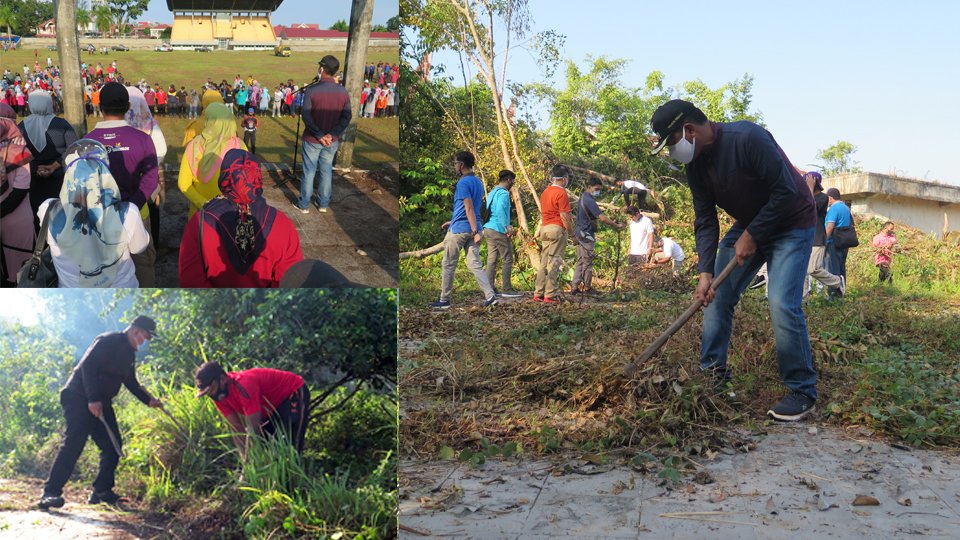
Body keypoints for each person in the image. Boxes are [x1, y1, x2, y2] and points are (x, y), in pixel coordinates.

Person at [650, 99, 817, 421]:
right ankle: (713, 378)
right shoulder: (695, 165)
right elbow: (705, 220)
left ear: (689, 130)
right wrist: (704, 273)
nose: (673, 151)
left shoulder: (748, 138)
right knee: (716, 296)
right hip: (750, 224)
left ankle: (802, 390)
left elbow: (786, 192)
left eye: (672, 142)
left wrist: (752, 235)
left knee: (781, 301)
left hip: (792, 223)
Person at [38, 316, 164, 509]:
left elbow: (131, 382)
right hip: (78, 396)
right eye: (145, 337)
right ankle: (50, 493)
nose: (144, 341)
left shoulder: (130, 355)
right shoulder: (108, 340)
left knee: (113, 445)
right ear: (135, 330)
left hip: (101, 403)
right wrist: (92, 398)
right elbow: (87, 367)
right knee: (74, 442)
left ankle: (101, 491)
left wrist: (149, 401)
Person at [179, 149, 302, 287]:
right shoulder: (283, 225)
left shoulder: (198, 223)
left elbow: (190, 281)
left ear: (224, 177)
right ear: (258, 178)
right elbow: (289, 282)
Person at [39, 139, 150, 287]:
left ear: (69, 174)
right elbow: (139, 248)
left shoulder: (48, 209)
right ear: (106, 174)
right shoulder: (128, 212)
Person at [85, 82, 159, 287]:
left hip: (99, 219)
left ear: (100, 108)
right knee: (142, 267)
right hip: (136, 216)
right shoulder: (142, 139)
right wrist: (131, 207)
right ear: (127, 107)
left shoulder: (87, 141)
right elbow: (151, 179)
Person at [194, 361, 310, 457]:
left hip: (292, 392)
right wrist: (246, 462)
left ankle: (296, 479)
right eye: (207, 393)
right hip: (270, 409)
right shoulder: (219, 398)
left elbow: (253, 429)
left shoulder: (244, 385)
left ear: (222, 379)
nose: (211, 395)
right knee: (269, 444)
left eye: (212, 389)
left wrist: (248, 462)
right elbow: (237, 429)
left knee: (291, 444)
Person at [430, 151, 498, 309]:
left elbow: (468, 207)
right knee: (475, 264)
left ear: (461, 165)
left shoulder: (463, 183)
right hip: (472, 227)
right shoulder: (478, 182)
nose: (454, 166)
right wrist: (457, 222)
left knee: (448, 264)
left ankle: (444, 300)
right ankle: (490, 295)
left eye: (455, 163)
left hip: (462, 229)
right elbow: (472, 208)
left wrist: (473, 230)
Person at [295, 55, 351, 214]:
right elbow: (346, 117)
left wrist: (320, 135)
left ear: (321, 69)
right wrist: (332, 135)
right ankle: (323, 204)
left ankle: (304, 204)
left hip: (313, 139)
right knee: (326, 170)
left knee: (309, 171)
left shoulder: (312, 90)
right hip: (331, 142)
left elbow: (306, 115)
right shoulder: (343, 92)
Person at [18, 91, 78, 231]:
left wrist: (35, 167)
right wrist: (54, 165)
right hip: (59, 177)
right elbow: (74, 150)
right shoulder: (62, 124)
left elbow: (18, 154)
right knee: (61, 219)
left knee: (37, 220)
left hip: (33, 178)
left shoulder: (21, 127)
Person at [178, 103, 245, 218]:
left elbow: (184, 184)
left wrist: (206, 204)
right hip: (231, 215)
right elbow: (246, 183)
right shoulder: (240, 146)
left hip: (201, 215)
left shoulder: (194, 145)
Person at [125, 86, 168, 247]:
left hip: (127, 177)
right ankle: (153, 242)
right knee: (152, 209)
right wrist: (149, 166)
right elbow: (162, 149)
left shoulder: (120, 125)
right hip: (148, 176)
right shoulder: (150, 124)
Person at [571, 177, 625, 294]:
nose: (598, 191)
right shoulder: (589, 200)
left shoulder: (582, 198)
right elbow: (602, 218)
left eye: (599, 189)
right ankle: (587, 288)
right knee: (587, 262)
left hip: (579, 233)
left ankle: (574, 287)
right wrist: (616, 225)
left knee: (580, 261)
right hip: (586, 235)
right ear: (589, 187)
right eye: (596, 189)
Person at [0, 103, 34, 286]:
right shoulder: (20, 149)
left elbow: (20, 192)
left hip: (14, 219)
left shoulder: (19, 150)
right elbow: (20, 191)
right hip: (17, 217)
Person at [533, 164, 575, 304]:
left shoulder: (546, 192)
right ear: (563, 179)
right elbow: (565, 216)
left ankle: (538, 292)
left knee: (544, 262)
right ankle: (550, 294)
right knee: (554, 262)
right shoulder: (561, 193)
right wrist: (572, 234)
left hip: (545, 228)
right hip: (556, 229)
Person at [802, 172, 844, 298]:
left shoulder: (823, 198)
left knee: (812, 269)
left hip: (817, 239)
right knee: (802, 271)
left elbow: (810, 207)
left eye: (808, 182)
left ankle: (837, 281)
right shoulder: (804, 196)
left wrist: (809, 187)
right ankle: (803, 298)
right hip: (804, 239)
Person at [482, 169, 520, 297]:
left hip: (488, 228)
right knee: (507, 258)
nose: (513, 183)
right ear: (509, 180)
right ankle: (507, 289)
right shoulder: (503, 193)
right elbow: (500, 210)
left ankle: (489, 289)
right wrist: (507, 227)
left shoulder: (493, 192)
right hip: (498, 229)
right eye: (513, 180)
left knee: (491, 259)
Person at [824, 187, 852, 291]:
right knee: (841, 268)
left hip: (834, 242)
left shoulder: (834, 208)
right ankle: (841, 291)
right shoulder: (845, 208)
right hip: (844, 241)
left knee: (833, 269)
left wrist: (824, 241)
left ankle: (834, 294)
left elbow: (830, 226)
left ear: (830, 198)